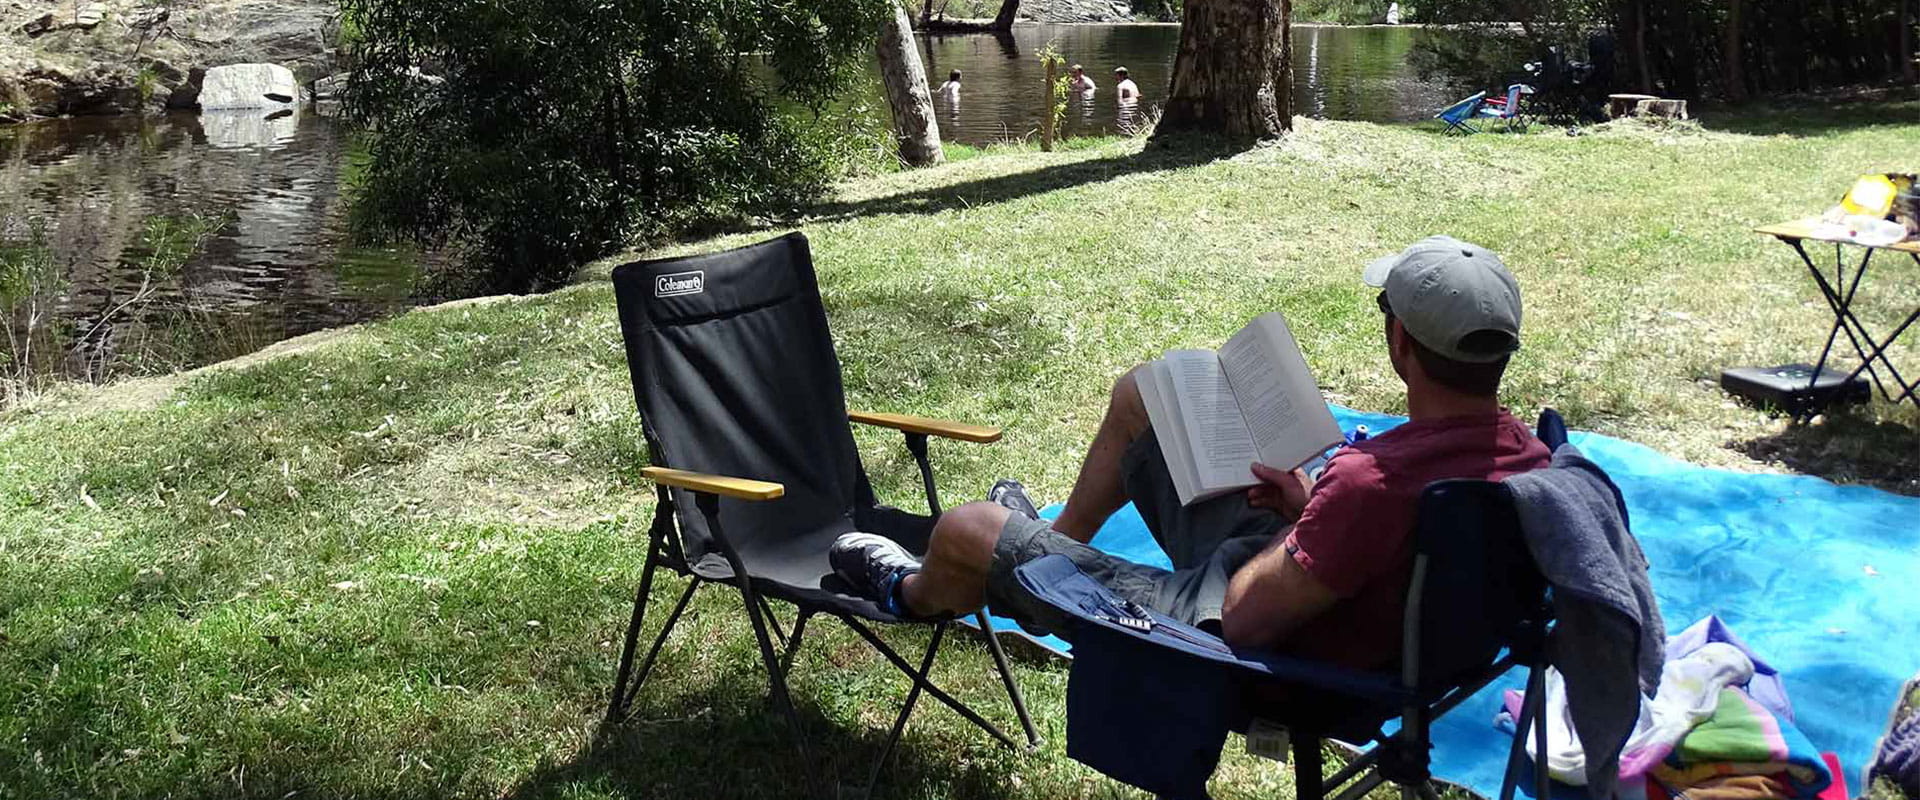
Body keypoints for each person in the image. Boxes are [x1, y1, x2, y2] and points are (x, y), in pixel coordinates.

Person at [831, 236, 1549, 669]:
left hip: (1247, 642)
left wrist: (1313, 520)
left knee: (964, 530)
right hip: (1350, 600)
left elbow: (1243, 618)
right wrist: (1310, 511)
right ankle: (1052, 544)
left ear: (1400, 344)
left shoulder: (1371, 485)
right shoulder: (1529, 460)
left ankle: (906, 590)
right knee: (1143, 396)